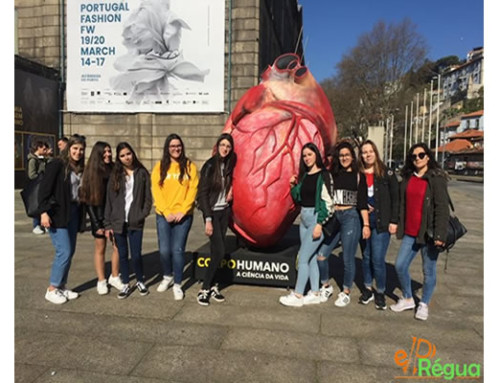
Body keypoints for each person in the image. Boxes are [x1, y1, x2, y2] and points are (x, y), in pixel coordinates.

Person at [390, 143, 449, 321]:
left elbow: (442, 208)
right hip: (410, 232)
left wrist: (440, 235)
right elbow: (401, 203)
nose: (417, 158)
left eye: (421, 155)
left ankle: (423, 303)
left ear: (428, 157)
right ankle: (408, 297)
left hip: (428, 233)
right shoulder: (408, 178)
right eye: (414, 156)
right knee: (400, 265)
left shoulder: (435, 179)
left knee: (428, 270)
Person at [279, 142, 334, 307]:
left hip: (316, 218)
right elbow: (299, 198)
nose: (307, 158)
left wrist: (319, 224)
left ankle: (298, 295)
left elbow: (329, 203)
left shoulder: (324, 175)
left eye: (309, 154)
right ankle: (315, 292)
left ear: (316, 155)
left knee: (302, 257)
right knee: (310, 259)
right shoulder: (305, 175)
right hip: (304, 218)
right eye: (304, 156)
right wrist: (292, 186)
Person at [316, 140, 370, 307]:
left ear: (352, 157)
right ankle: (326, 285)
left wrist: (366, 224)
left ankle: (346, 290)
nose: (344, 158)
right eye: (341, 155)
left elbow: (362, 203)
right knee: (321, 256)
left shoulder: (358, 176)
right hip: (334, 217)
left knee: (347, 258)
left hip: (351, 217)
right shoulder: (333, 174)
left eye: (347, 155)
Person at [38, 134, 86, 304]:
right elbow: (44, 189)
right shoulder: (57, 165)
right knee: (63, 251)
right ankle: (52, 288)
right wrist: (43, 212)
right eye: (75, 148)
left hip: (73, 211)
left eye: (81, 149)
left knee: (70, 251)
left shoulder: (79, 167)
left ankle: (61, 286)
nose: (78, 152)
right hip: (57, 213)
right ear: (68, 148)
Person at [151, 134, 199, 301]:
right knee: (164, 250)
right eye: (172, 146)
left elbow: (193, 190)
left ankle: (178, 284)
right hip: (164, 215)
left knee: (177, 250)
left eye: (178, 145)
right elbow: (156, 190)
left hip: (183, 216)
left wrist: (183, 211)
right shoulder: (159, 167)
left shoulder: (190, 166)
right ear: (167, 148)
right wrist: (166, 212)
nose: (176, 149)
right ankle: (167, 276)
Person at [104, 142, 152, 299]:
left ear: (133, 153)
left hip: (135, 220)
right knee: (122, 254)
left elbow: (147, 197)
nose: (126, 158)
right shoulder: (115, 175)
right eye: (123, 155)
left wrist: (142, 213)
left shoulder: (142, 173)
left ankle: (140, 280)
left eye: (128, 154)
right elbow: (109, 200)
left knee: (136, 254)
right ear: (119, 158)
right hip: (118, 221)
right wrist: (108, 223)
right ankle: (125, 282)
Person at [358, 140, 399, 310]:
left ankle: (380, 291)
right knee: (366, 257)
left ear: (376, 152)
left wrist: (394, 221)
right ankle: (368, 288)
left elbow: (396, 197)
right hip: (365, 221)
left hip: (382, 221)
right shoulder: (359, 173)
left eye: (370, 151)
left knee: (377, 259)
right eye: (364, 152)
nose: (367, 154)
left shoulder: (386, 173)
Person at [195, 133, 236, 306]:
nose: (225, 148)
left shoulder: (228, 165)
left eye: (228, 146)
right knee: (219, 251)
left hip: (224, 213)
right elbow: (202, 194)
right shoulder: (209, 166)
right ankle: (204, 288)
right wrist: (208, 219)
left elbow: (233, 179)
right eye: (222, 145)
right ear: (217, 146)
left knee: (215, 253)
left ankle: (212, 286)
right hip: (212, 213)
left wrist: (231, 188)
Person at [79, 141, 124, 295]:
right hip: (98, 215)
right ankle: (101, 280)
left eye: (109, 151)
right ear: (97, 154)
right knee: (100, 248)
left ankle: (115, 275)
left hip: (114, 214)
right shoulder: (91, 172)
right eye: (104, 152)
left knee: (117, 245)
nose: (108, 154)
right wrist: (97, 224)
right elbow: (88, 202)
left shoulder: (114, 169)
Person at [27, 139, 49, 234]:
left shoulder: (41, 159)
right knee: (36, 206)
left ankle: (44, 224)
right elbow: (31, 175)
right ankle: (36, 225)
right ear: (38, 148)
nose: (45, 150)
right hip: (36, 186)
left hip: (42, 185)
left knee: (43, 205)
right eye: (43, 148)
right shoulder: (32, 160)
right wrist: (41, 177)